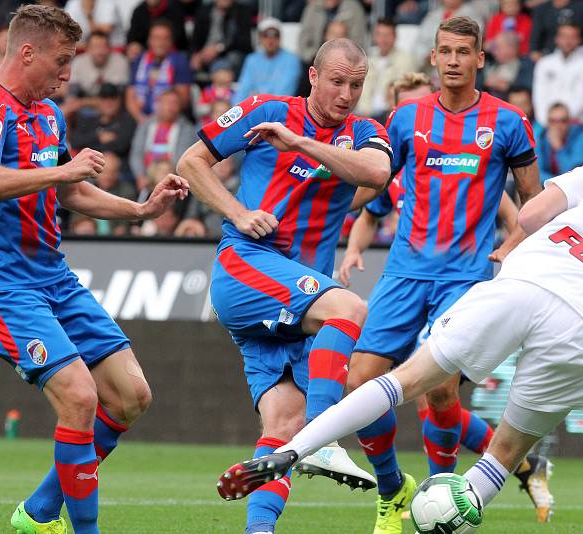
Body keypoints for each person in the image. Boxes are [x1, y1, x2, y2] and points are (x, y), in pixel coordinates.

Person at [218, 109, 583, 531]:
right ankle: (456, 508)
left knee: (403, 380)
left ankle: (294, 450)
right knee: (505, 454)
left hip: (523, 284)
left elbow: (531, 217)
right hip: (580, 325)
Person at [0, 6, 188, 534]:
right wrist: (61, 168)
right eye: (61, 61)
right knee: (80, 397)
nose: (67, 75)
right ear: (26, 52)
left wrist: (139, 210)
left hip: (54, 278)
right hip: (2, 285)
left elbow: (72, 190)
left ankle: (38, 512)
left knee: (131, 397)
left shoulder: (48, 115)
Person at [338, 17, 545, 533]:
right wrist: (326, 196)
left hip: (464, 280)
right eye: (445, 51)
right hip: (404, 274)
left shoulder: (508, 122)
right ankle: (391, 490)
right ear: (432, 58)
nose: (453, 60)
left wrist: (512, 244)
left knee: (441, 393)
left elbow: (536, 204)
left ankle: (444, 501)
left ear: (480, 59)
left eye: (463, 52)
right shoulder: (406, 120)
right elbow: (376, 189)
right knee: (359, 381)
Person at [178, 38, 392, 534]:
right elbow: (192, 161)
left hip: (295, 301)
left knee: (283, 428)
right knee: (350, 308)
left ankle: (260, 529)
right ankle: (328, 442)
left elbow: (378, 173)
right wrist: (237, 212)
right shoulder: (267, 109)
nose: (345, 94)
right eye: (336, 81)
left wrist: (299, 145)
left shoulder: (365, 132)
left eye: (356, 85)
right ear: (313, 76)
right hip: (247, 265)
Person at [233, 17, 302, 104]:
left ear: (280, 38)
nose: (270, 40)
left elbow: (284, 93)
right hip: (253, 108)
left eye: (275, 35)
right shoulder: (252, 59)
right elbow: (243, 89)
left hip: (278, 110)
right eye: (266, 35)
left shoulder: (291, 60)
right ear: (260, 38)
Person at [535, 103, 583, 183]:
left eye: (563, 121)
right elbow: (537, 172)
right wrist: (554, 183)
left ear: (569, 122)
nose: (558, 126)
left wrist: (559, 148)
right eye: (553, 121)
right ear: (547, 122)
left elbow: (574, 175)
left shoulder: (581, 137)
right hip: (553, 185)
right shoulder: (541, 137)